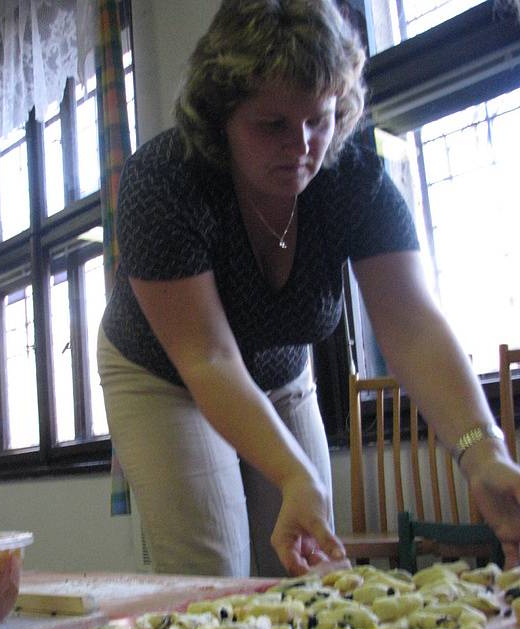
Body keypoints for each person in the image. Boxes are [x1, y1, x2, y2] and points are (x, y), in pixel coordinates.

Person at [98, 0, 520, 578]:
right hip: (165, 377)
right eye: (271, 124)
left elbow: (414, 328)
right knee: (213, 571)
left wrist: (482, 449)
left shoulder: (355, 183)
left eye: (317, 120)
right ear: (221, 116)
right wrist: (294, 472)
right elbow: (208, 357)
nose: (300, 147)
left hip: (280, 373)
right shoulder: (165, 181)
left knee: (307, 562)